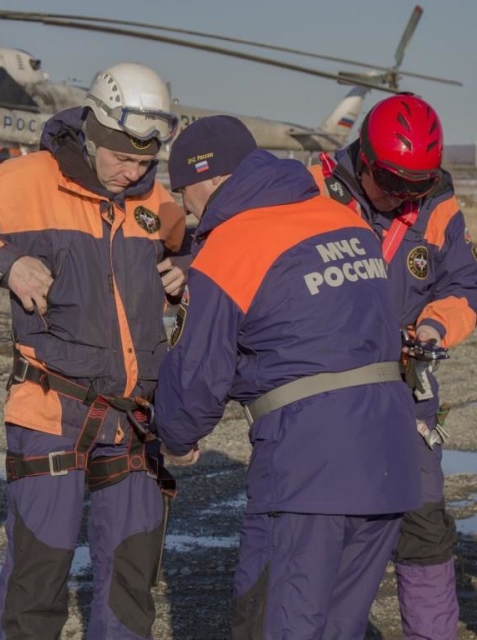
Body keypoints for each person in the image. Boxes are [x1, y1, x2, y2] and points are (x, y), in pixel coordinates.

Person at [0, 62, 189, 639]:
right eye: (124, 158)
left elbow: (193, 244)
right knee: (37, 579)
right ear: (94, 133)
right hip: (50, 410)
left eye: (147, 162)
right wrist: (2, 261)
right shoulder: (28, 181)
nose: (134, 172)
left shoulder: (154, 198)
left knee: (131, 580)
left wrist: (186, 270)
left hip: (132, 420)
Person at [154, 115, 422, 638]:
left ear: (207, 179)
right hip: (391, 463)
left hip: (307, 473)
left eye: (183, 190)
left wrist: (177, 438)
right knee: (340, 628)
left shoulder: (231, 245)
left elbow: (197, 375)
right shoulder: (344, 221)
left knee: (278, 621)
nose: (184, 206)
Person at [308, 93, 477, 640]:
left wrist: (434, 327)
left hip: (408, 397)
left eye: (418, 185)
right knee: (326, 536)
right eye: (394, 182)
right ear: (366, 160)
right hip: (324, 398)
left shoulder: (441, 207)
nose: (405, 196)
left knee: (425, 529)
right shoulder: (311, 191)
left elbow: (463, 286)